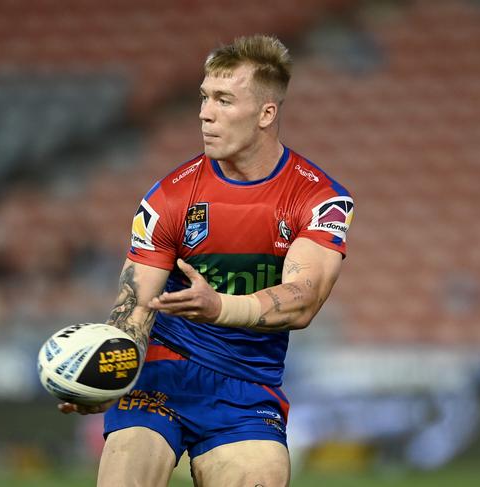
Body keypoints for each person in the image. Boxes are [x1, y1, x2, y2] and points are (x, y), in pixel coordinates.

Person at [59, 34, 354, 487]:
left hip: (246, 387)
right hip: (158, 374)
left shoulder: (318, 198)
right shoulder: (170, 197)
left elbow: (303, 299)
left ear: (266, 113)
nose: (204, 112)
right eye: (203, 97)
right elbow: (133, 306)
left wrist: (219, 307)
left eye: (223, 99)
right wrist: (108, 377)